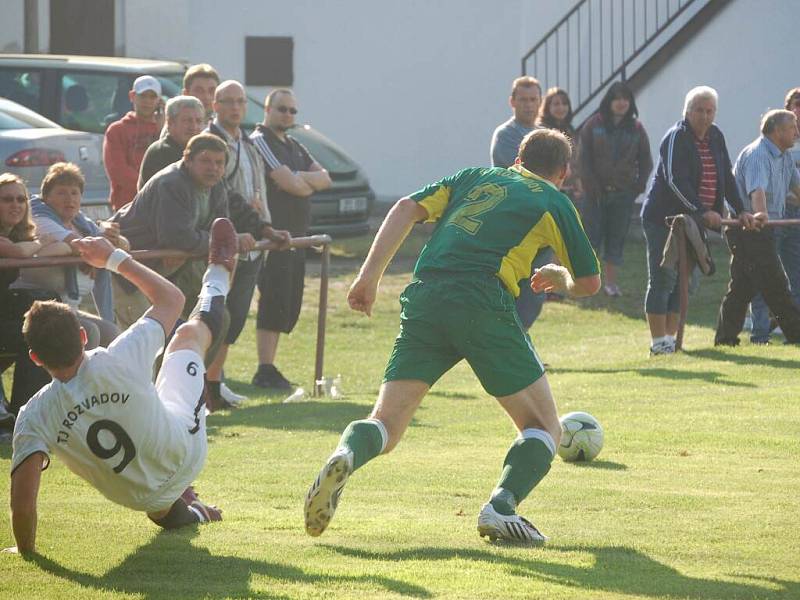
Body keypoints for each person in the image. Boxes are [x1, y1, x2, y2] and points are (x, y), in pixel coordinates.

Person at [304, 129, 601, 544]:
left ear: (516, 158)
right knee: (544, 427)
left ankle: (347, 453)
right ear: (565, 172)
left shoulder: (474, 176)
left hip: (425, 295)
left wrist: (367, 278)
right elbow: (589, 283)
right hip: (481, 299)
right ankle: (501, 507)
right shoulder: (553, 200)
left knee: (386, 423)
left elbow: (405, 208)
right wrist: (559, 277)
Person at [5, 218, 239, 554]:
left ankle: (192, 513)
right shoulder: (114, 357)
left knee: (154, 491)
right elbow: (170, 299)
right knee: (188, 337)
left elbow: (24, 504)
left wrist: (24, 550)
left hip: (139, 498)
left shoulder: (34, 415)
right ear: (84, 335)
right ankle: (218, 275)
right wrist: (114, 257)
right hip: (186, 452)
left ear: (35, 358)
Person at [112, 134, 290, 333]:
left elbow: (236, 209)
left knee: (217, 319)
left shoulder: (217, 184)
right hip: (129, 268)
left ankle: (194, 364)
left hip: (173, 267)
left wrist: (267, 230)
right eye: (205, 160)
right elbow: (177, 237)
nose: (213, 168)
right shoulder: (171, 183)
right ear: (187, 160)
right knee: (142, 339)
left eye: (219, 162)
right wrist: (228, 241)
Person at [640, 86, 756, 355]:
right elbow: (673, 180)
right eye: (699, 110)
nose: (705, 116)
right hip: (663, 220)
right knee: (663, 278)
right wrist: (702, 209)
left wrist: (740, 209)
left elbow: (725, 175)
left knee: (686, 281)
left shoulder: (715, 136)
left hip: (694, 222)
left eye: (709, 111)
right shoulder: (676, 137)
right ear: (687, 111)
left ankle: (671, 339)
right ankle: (659, 342)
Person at [250, 89, 331, 389]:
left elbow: (324, 178)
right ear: (268, 109)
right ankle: (264, 368)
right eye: (282, 109)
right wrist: (302, 182)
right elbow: (291, 185)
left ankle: (270, 366)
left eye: (293, 111)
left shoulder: (295, 145)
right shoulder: (260, 141)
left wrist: (300, 179)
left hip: (297, 236)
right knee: (272, 299)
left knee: (288, 302)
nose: (288, 115)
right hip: (275, 235)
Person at [205, 81, 271, 407]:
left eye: (240, 101)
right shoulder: (210, 143)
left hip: (253, 242)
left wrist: (266, 227)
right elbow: (220, 196)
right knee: (218, 315)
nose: (234, 107)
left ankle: (216, 383)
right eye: (227, 101)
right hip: (226, 242)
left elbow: (258, 192)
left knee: (236, 317)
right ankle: (206, 386)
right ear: (214, 104)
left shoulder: (249, 142)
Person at [14, 163, 123, 350]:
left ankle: (99, 379)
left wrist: (113, 237)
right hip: (33, 306)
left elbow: (120, 247)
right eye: (62, 193)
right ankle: (76, 379)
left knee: (111, 333)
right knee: (89, 333)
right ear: (46, 197)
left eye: (74, 193)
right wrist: (89, 250)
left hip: (67, 309)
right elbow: (82, 245)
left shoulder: (83, 224)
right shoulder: (40, 219)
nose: (69, 199)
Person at [715, 109, 800, 345]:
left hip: (763, 229)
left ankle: (725, 339)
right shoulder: (758, 154)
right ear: (777, 131)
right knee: (777, 285)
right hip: (751, 229)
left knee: (743, 287)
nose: (797, 131)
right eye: (793, 126)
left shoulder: (785, 156)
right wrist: (761, 214)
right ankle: (797, 335)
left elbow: (798, 189)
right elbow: (757, 191)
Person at [579, 81, 653, 297]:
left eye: (625, 99)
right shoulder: (593, 125)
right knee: (590, 239)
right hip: (595, 195)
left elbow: (646, 161)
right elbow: (583, 159)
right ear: (608, 101)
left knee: (616, 240)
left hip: (623, 196)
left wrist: (637, 188)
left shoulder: (637, 129)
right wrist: (590, 186)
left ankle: (610, 284)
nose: (621, 103)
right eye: (617, 98)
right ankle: (587, 282)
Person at [490, 76, 552, 329]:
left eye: (533, 100)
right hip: (512, 225)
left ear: (540, 102)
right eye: (523, 100)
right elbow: (522, 173)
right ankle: (511, 349)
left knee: (536, 289)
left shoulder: (545, 135)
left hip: (540, 224)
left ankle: (520, 347)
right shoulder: (505, 135)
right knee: (511, 289)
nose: (528, 105)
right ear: (512, 102)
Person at [0, 174, 52, 435]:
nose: (16, 205)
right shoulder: (10, 241)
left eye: (21, 199)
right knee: (35, 336)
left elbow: (64, 249)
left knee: (48, 315)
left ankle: (27, 412)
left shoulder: (18, 236)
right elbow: (19, 252)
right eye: (7, 199)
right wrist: (39, 245)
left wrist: (37, 245)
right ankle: (22, 414)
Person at [104, 76, 164, 211]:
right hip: (127, 206)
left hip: (160, 205)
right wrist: (151, 187)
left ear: (159, 101)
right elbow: (118, 171)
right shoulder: (117, 130)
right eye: (143, 96)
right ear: (132, 96)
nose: (147, 101)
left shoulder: (167, 130)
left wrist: (162, 129)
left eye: (152, 97)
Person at [138, 95, 205, 189]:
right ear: (170, 123)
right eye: (187, 121)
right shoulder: (161, 152)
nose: (194, 127)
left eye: (199, 121)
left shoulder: (201, 151)